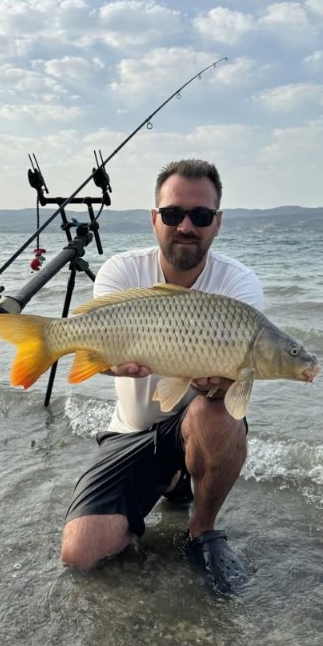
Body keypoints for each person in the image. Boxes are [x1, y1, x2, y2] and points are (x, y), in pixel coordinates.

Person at [60, 158, 264, 595]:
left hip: (195, 426)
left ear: (217, 223)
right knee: (82, 552)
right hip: (132, 430)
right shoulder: (121, 271)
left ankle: (201, 529)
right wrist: (105, 361)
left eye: (201, 216)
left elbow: (234, 389)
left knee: (219, 412)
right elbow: (101, 345)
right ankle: (168, 480)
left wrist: (225, 380)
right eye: (172, 214)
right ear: (155, 219)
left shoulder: (239, 286)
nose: (186, 226)